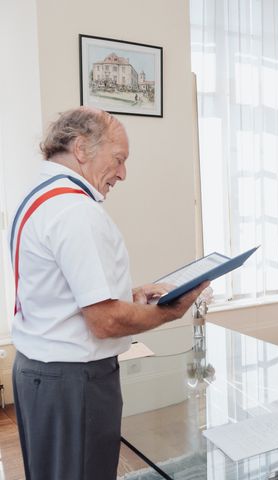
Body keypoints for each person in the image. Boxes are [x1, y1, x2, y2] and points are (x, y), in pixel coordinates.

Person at [10, 107, 209, 480]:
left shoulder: (39, 197)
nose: (122, 174)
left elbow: (58, 290)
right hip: (73, 383)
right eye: (118, 160)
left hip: (39, 373)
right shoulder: (75, 210)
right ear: (82, 148)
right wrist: (171, 310)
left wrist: (127, 294)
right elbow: (104, 321)